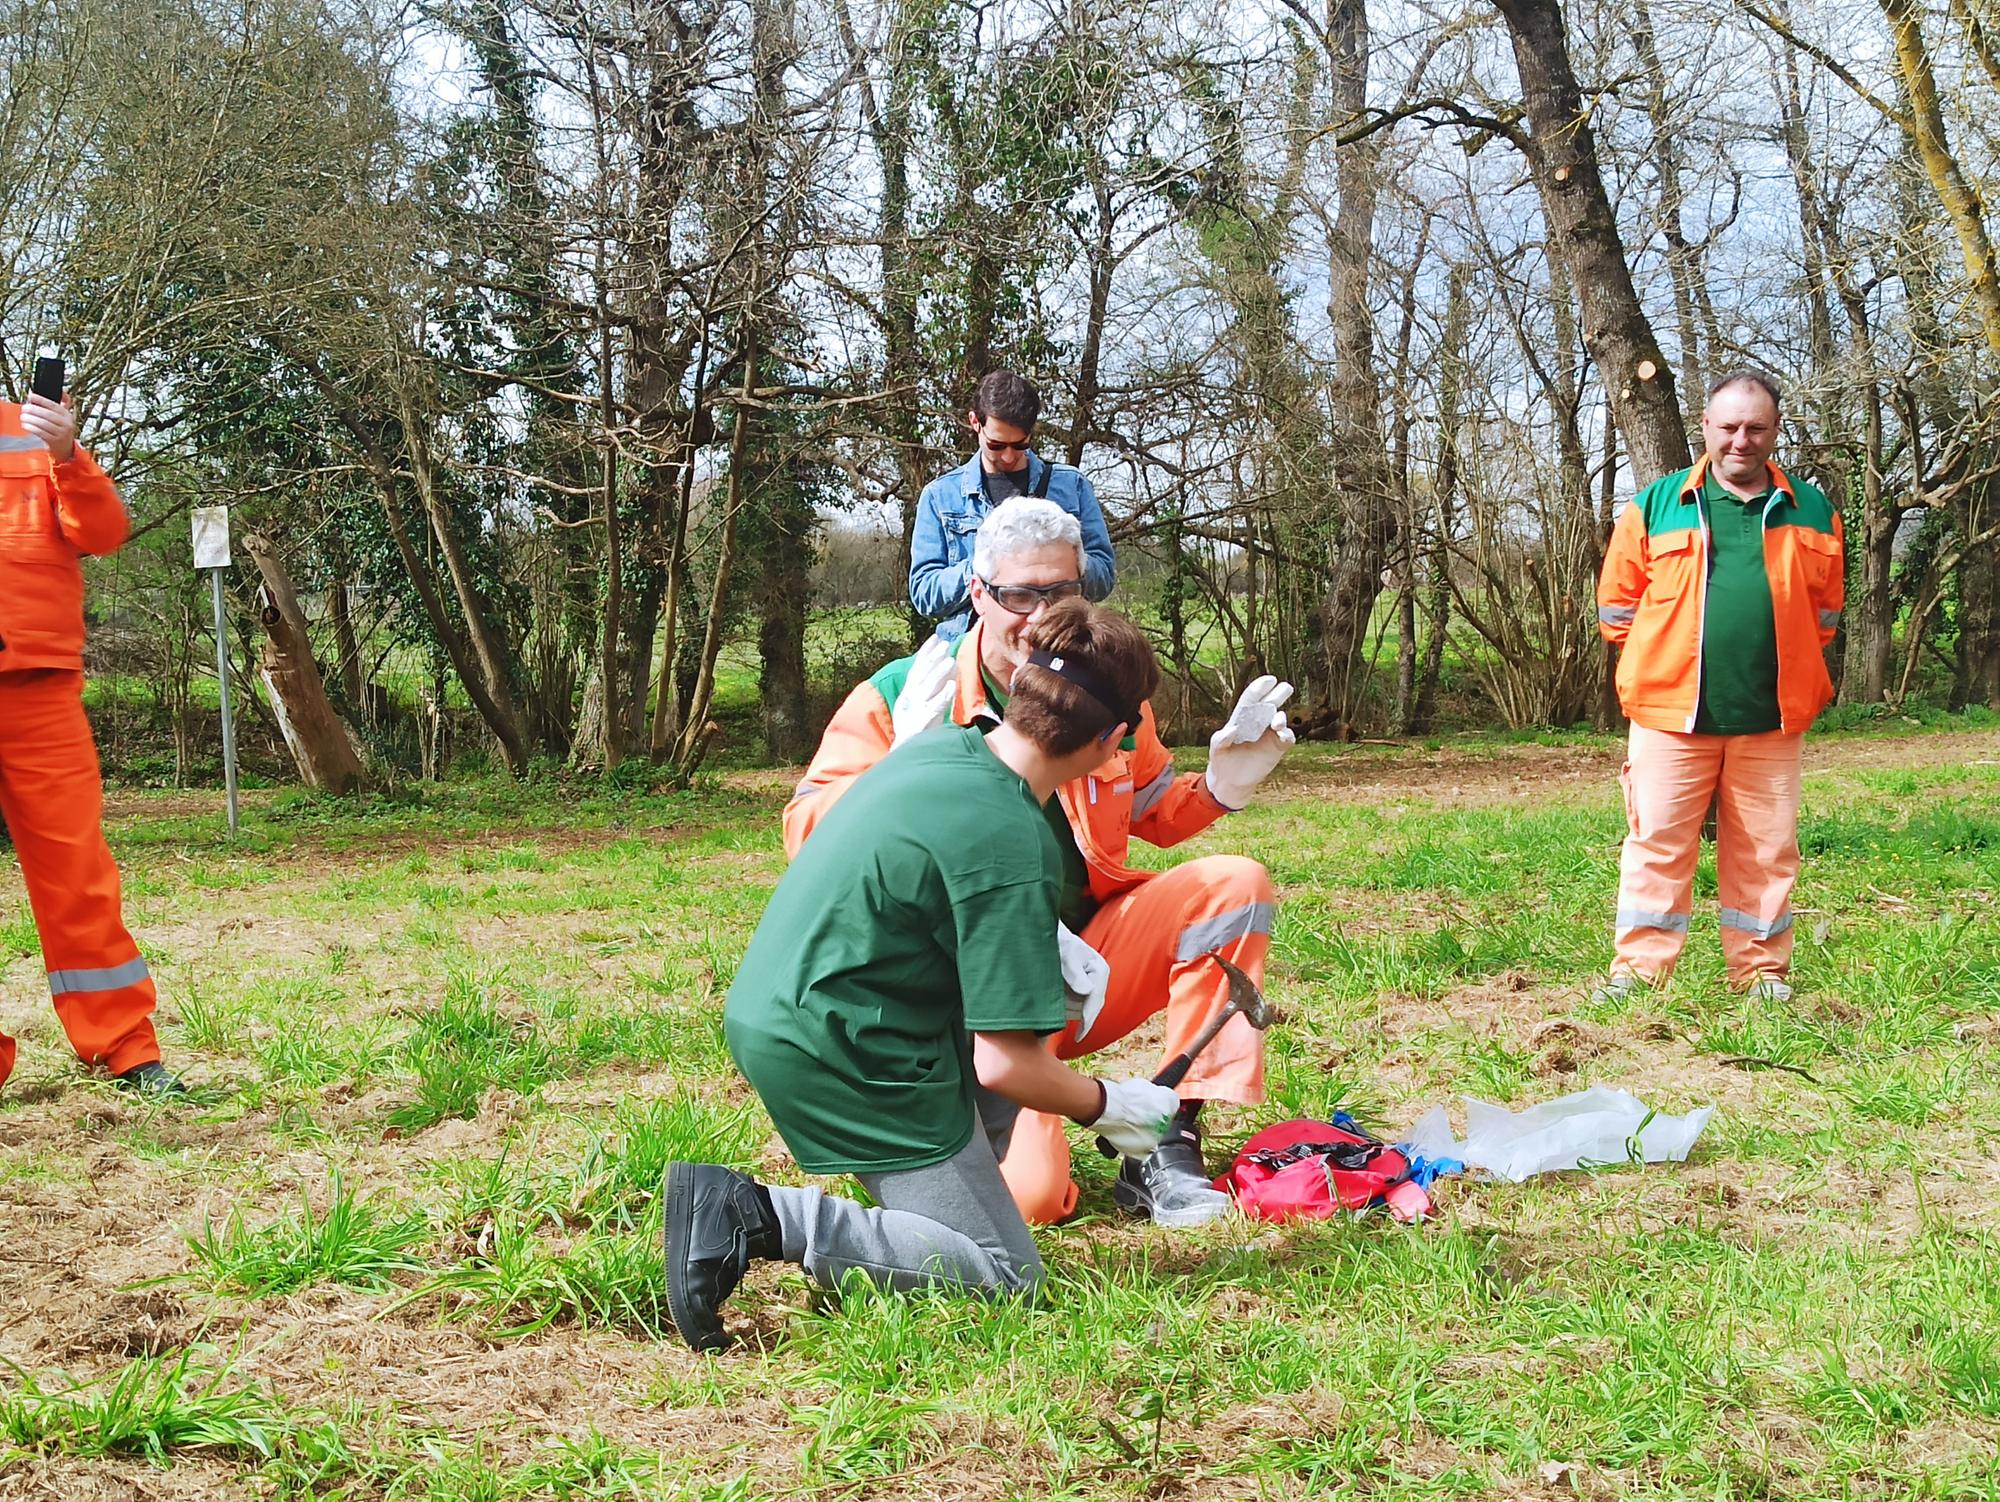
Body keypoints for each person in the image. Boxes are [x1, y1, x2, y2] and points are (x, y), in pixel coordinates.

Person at [663, 600, 1183, 1352]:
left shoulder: (941, 749)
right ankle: (753, 1213)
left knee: (971, 1214)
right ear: (1112, 744)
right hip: (839, 1042)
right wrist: (1108, 1103)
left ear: (1021, 683)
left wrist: (1045, 944)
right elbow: (1003, 1061)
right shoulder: (1011, 839)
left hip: (801, 1002)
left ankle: (921, 1225)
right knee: (1004, 1277)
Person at [788, 498, 1296, 1228]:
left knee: (1235, 887)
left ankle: (1167, 1137)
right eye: (1019, 594)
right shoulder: (903, 697)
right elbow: (807, 837)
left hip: (1077, 970)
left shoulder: (1107, 689)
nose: (1038, 614)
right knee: (1030, 1201)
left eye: (1059, 591)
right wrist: (897, 774)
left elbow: (1154, 807)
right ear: (976, 594)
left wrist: (1220, 787)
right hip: (974, 1004)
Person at [1593, 369, 1844, 1004]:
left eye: (1755, 428)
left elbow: (1825, 617)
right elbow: (1617, 613)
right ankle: (1638, 975)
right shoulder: (1654, 504)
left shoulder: (1814, 509)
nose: (1741, 440)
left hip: (1771, 717)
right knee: (1657, 844)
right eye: (1728, 427)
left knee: (1766, 851)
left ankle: (1762, 975)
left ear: (1775, 431)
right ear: (1705, 428)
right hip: (1669, 714)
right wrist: (1667, 660)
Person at [0, 385, 182, 1095]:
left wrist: (69, 455)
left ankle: (128, 1049)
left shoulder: (34, 433)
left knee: (77, 878)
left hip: (41, 693)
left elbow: (104, 530)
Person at [908, 371, 1116, 640]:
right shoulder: (940, 495)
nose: (1008, 456)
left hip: (1056, 646)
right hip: (967, 648)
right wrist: (991, 564)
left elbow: (1103, 578)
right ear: (975, 422)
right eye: (996, 445)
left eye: (1020, 445)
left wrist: (1062, 566)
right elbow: (925, 594)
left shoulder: (1072, 485)